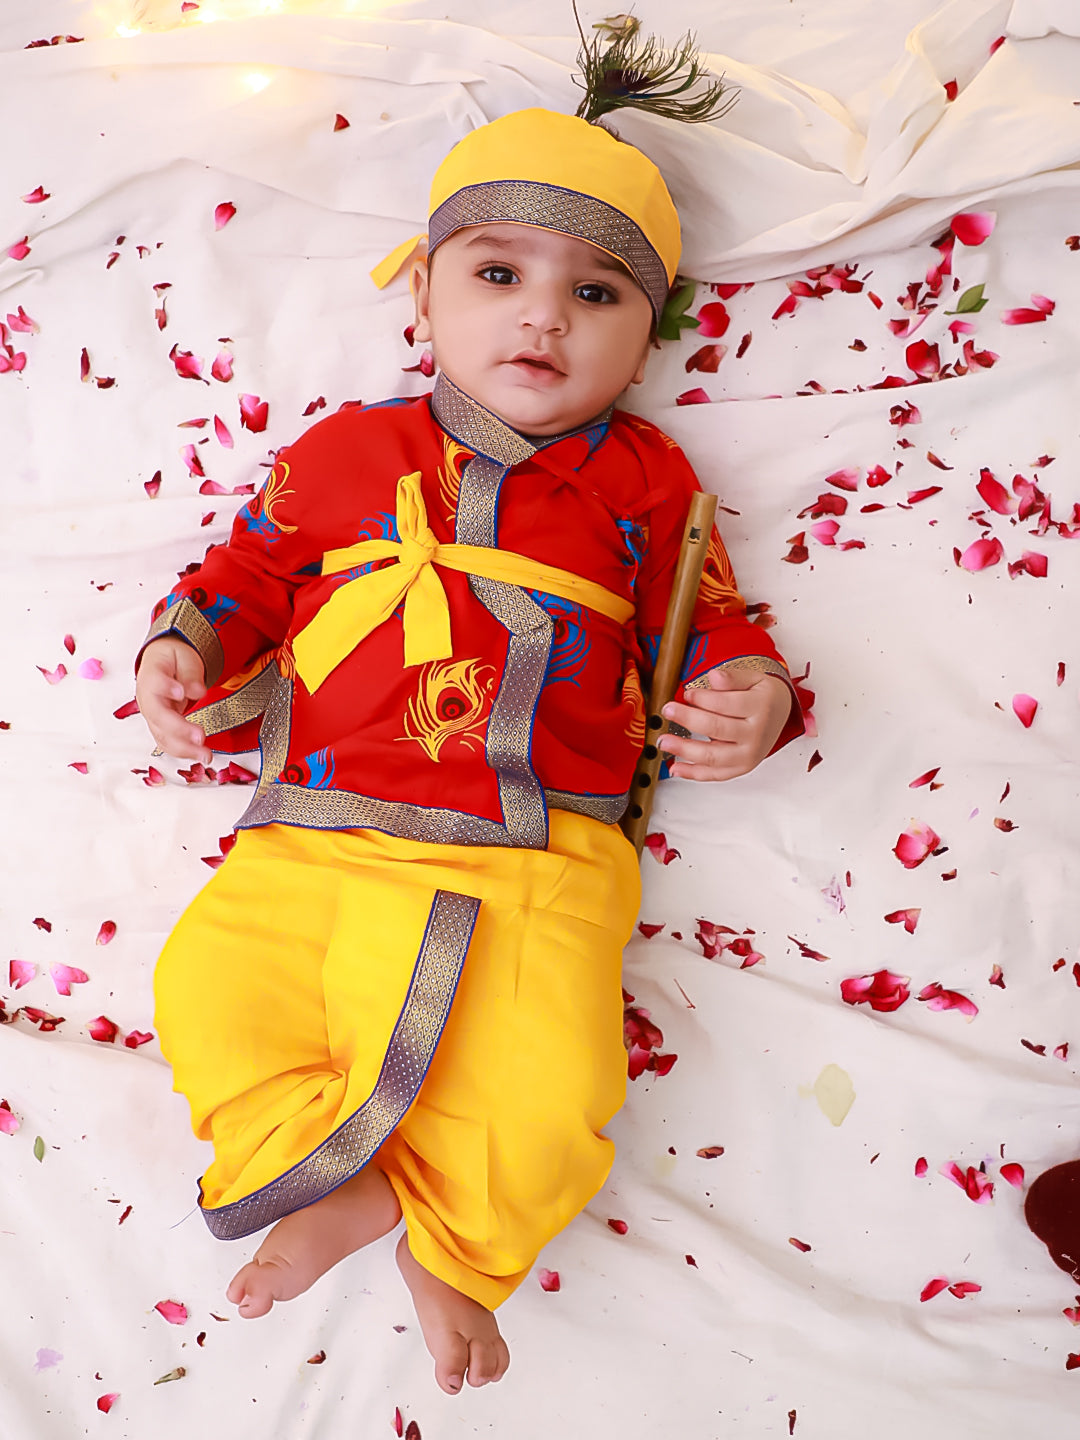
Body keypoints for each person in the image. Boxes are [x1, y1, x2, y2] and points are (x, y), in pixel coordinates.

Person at [135, 30, 804, 1397]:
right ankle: (330, 1175)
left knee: (550, 1085)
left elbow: (709, 618)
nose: (543, 318)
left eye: (596, 293)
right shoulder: (347, 451)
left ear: (648, 333)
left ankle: (448, 1238)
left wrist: (754, 693)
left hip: (543, 852)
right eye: (498, 276)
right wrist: (185, 644)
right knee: (208, 992)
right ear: (424, 294)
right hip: (317, 828)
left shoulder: (648, 479)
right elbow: (248, 570)